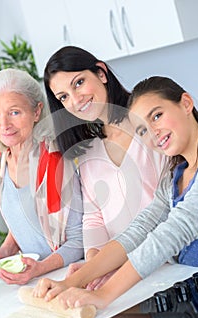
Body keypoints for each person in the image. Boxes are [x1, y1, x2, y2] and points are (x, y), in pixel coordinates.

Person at [33, 76, 198, 312]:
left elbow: (172, 232)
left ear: (186, 103)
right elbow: (139, 230)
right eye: (142, 129)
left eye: (157, 116)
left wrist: (104, 295)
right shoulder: (175, 175)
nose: (153, 133)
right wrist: (70, 282)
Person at [43, 46, 165, 288]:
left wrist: (109, 264)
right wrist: (94, 260)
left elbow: (173, 200)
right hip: (126, 272)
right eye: (63, 97)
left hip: (168, 263)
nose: (75, 100)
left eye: (78, 83)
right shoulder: (89, 152)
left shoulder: (151, 124)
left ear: (101, 73)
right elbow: (94, 215)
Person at [0, 68, 83, 285]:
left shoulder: (54, 160)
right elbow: (26, 220)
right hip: (36, 280)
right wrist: (6, 250)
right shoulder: (2, 160)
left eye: (14, 112)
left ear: (36, 112)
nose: (4, 125)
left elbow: (79, 241)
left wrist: (41, 268)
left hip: (69, 278)